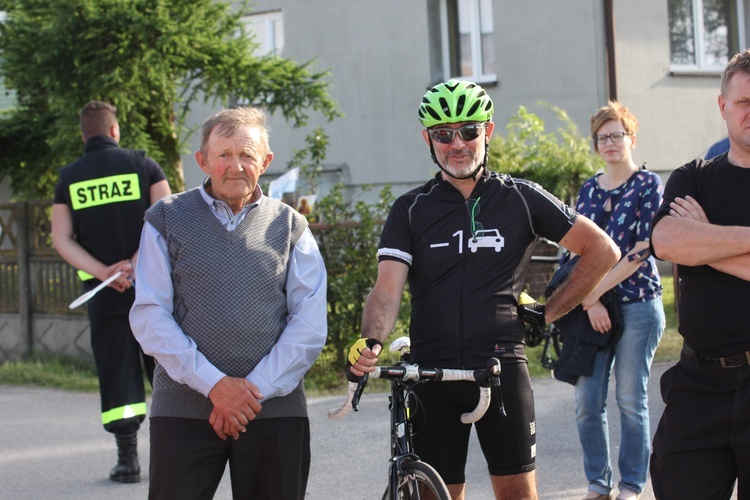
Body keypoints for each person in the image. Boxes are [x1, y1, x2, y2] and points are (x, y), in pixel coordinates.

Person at [348, 79, 621, 500]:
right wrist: (372, 340)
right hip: (431, 373)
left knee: (516, 492)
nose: (457, 143)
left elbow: (601, 250)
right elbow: (387, 290)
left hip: (501, 369)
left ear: (487, 132)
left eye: (468, 131)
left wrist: (550, 311)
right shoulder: (411, 209)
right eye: (443, 134)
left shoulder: (521, 198)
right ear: (428, 139)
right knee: (438, 494)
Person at [129, 106, 327, 500]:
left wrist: (248, 393)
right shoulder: (165, 219)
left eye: (247, 155)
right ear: (203, 160)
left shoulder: (291, 226)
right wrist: (215, 386)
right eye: (223, 155)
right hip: (184, 409)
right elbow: (151, 315)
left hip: (274, 411)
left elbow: (309, 324)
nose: (236, 166)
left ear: (265, 161)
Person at [51, 100, 171, 483]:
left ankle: (128, 462)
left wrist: (105, 271)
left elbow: (61, 239)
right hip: (153, 290)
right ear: (115, 131)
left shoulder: (69, 178)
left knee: (118, 377)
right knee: (169, 370)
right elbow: (168, 219)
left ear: (85, 134)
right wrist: (134, 263)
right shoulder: (145, 165)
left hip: (105, 296)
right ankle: (174, 458)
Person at [649, 49, 750, 499]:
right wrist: (692, 241)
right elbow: (668, 242)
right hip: (698, 384)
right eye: (744, 102)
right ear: (723, 106)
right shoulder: (693, 177)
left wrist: (705, 241)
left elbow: (688, 245)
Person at [571, 102, 665, 500]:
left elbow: (643, 248)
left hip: (639, 304)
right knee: (587, 402)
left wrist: (595, 291)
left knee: (630, 399)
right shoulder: (587, 190)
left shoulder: (648, 185)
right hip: (593, 309)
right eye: (602, 137)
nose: (609, 143)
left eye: (617, 135)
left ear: (631, 139)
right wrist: (588, 303)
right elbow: (575, 252)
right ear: (595, 145)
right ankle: (598, 481)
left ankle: (630, 484)